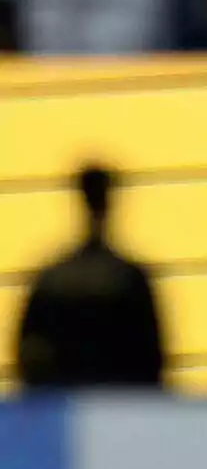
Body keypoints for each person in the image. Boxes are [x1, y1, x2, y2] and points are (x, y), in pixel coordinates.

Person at [16, 164, 166, 391]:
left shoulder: (52, 279)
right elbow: (153, 362)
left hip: (66, 411)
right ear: (109, 202)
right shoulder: (129, 279)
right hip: (118, 409)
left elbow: (29, 356)